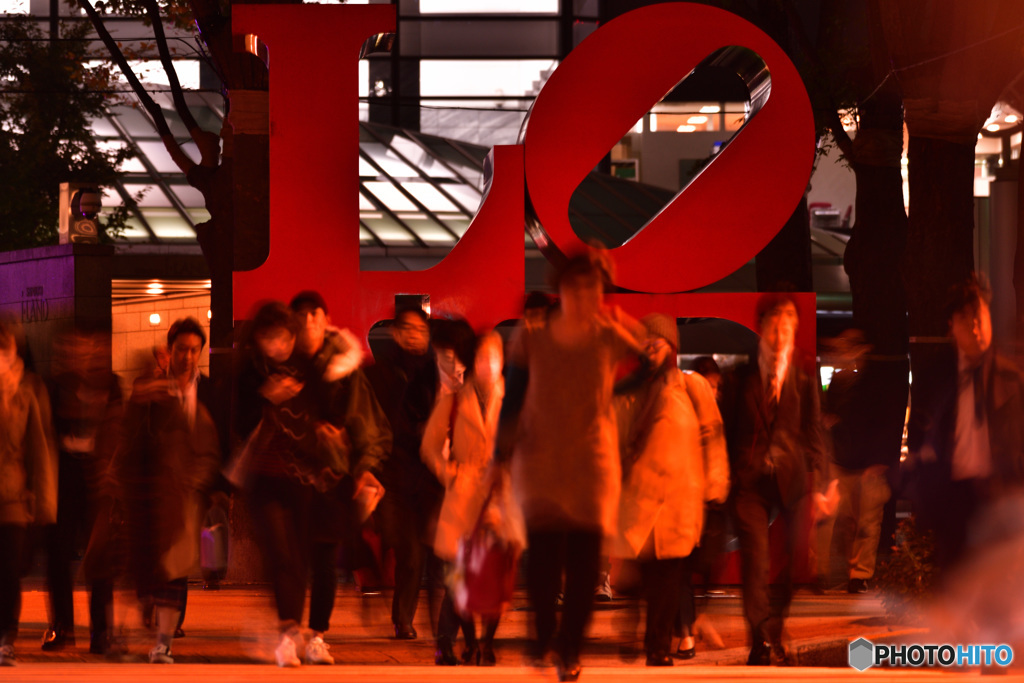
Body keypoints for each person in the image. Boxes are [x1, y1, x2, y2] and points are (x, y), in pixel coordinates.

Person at [497, 249, 647, 682]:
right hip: (541, 459)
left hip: (591, 463)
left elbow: (651, 362)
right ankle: (543, 637)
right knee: (543, 563)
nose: (586, 296)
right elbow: (512, 398)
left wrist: (610, 392)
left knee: (584, 567)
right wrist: (498, 456)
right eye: (576, 287)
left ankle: (570, 648)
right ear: (559, 290)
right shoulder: (533, 334)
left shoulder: (608, 332)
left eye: (594, 288)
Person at [721, 293, 830, 666]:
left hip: (793, 479)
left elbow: (814, 430)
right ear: (761, 327)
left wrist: (825, 483)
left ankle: (776, 625)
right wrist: (727, 474)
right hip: (749, 481)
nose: (781, 329)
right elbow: (728, 429)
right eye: (774, 321)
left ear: (795, 328)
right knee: (756, 560)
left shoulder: (802, 378)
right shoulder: (741, 376)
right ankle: (759, 638)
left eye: (788, 321)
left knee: (794, 557)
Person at [614, 315, 729, 666]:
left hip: (679, 501)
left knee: (667, 581)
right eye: (646, 343)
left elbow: (712, 434)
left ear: (672, 347)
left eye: (658, 342)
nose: (651, 348)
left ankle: (658, 647)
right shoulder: (631, 391)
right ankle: (647, 636)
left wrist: (715, 481)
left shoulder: (689, 386)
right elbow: (615, 440)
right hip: (640, 502)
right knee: (642, 580)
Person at [288, 291, 391, 665]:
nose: (309, 323)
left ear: (325, 319)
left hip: (333, 478)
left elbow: (368, 424)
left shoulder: (345, 369)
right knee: (292, 560)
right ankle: (288, 631)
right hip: (292, 476)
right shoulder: (285, 363)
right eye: (301, 317)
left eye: (315, 316)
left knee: (324, 558)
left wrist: (365, 467)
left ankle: (316, 635)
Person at [113, 317, 221, 664]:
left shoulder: (211, 391)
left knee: (176, 568)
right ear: (170, 351)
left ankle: (164, 640)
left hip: (186, 494)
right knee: (147, 567)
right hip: (149, 492)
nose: (187, 356)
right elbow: (128, 435)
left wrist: (205, 483)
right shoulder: (149, 388)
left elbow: (213, 443)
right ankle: (148, 622)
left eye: (194, 350)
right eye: (181, 349)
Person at [908, 276, 1024, 573]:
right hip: (952, 494)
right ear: (950, 326)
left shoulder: (1012, 378)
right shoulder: (935, 376)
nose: (974, 327)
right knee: (954, 580)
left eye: (979, 316)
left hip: (999, 494)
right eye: (964, 318)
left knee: (997, 582)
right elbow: (920, 437)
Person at [422, 329, 505, 666]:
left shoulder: (512, 402)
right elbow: (428, 446)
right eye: (482, 358)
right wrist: (450, 473)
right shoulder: (454, 401)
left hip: (499, 501)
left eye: (494, 358)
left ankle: (486, 643)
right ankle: (462, 642)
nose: (487, 365)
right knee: (459, 577)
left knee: (494, 580)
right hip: (462, 499)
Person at [41, 330, 123, 655]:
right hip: (63, 476)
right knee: (57, 555)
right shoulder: (55, 386)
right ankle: (62, 627)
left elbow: (118, 428)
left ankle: (101, 632)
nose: (83, 356)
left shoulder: (111, 384)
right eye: (73, 349)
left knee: (99, 557)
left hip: (98, 478)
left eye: (89, 349)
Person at [366, 306, 443, 641]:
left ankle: (442, 622)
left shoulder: (437, 374)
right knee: (410, 552)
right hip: (395, 475)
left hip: (433, 475)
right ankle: (404, 619)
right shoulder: (379, 374)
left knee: (439, 554)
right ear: (396, 333)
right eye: (407, 329)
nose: (414, 336)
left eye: (420, 330)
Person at [815, 330, 891, 594]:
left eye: (844, 349)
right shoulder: (838, 382)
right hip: (842, 458)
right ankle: (824, 573)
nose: (839, 355)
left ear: (859, 351)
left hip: (864, 461)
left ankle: (857, 575)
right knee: (837, 518)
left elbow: (882, 423)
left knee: (865, 523)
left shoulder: (870, 383)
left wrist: (879, 459)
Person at [0, 319, 57, 667]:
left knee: (7, 572)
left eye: (3, 347)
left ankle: (6, 637)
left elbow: (39, 447)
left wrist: (43, 500)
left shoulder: (28, 389)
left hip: (12, 499)